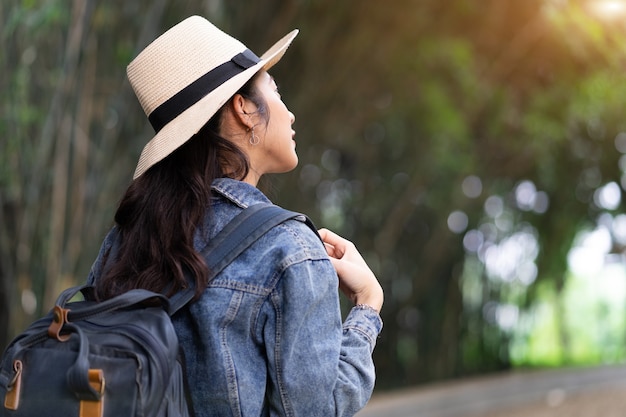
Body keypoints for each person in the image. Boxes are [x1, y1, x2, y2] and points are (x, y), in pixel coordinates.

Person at [87, 15, 384, 417]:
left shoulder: (125, 239)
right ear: (243, 108)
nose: (290, 114)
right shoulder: (288, 248)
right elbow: (318, 409)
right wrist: (367, 306)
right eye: (276, 93)